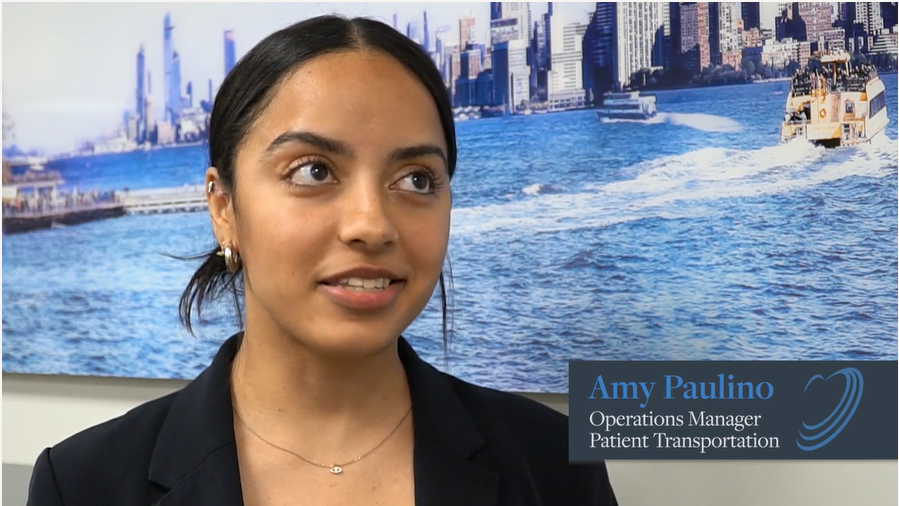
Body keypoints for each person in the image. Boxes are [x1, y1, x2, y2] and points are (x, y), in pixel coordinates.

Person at [26, 15, 618, 506]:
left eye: (415, 178)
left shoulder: (554, 467)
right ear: (224, 208)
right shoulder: (82, 485)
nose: (372, 225)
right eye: (313, 171)